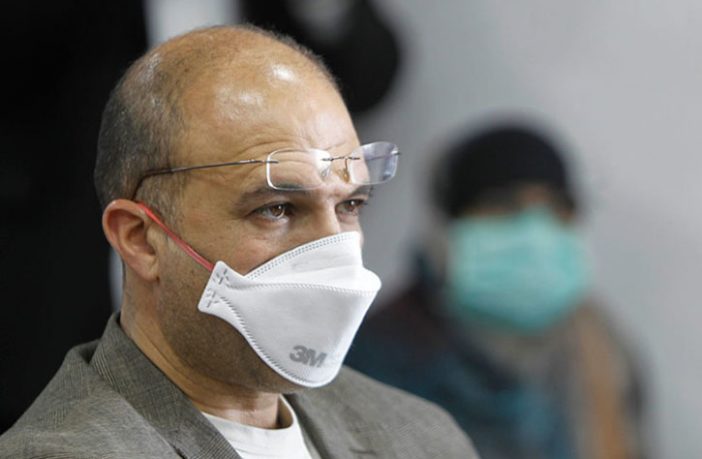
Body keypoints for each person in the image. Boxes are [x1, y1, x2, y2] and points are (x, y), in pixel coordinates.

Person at [0, 26, 477, 459]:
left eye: (349, 205)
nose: (334, 252)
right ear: (141, 239)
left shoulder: (421, 436)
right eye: (278, 209)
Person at [346, 123, 646, 459]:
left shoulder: (600, 349)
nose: (535, 230)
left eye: (556, 206)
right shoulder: (379, 355)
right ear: (448, 222)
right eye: (505, 206)